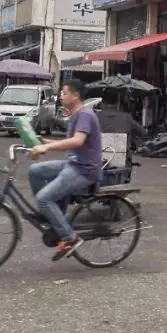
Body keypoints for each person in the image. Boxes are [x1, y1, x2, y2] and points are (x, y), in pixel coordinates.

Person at [27, 80, 103, 260]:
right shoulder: (75, 115)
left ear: (76, 96)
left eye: (64, 93)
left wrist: (47, 148)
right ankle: (54, 216)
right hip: (73, 164)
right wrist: (45, 142)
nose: (61, 96)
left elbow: (77, 141)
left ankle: (70, 237)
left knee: (43, 198)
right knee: (35, 170)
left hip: (85, 170)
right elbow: (70, 145)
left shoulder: (84, 115)